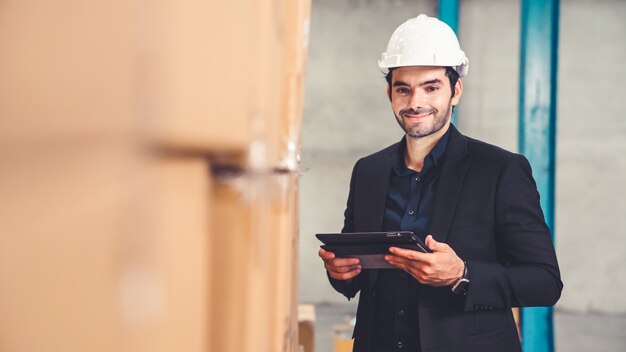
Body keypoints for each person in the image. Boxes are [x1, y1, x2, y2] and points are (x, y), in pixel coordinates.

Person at [318, 14, 562, 352]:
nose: (415, 102)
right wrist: (341, 272)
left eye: (431, 87)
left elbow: (545, 282)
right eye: (403, 89)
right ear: (390, 93)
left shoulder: (501, 170)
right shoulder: (368, 172)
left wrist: (462, 274)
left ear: (455, 90)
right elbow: (356, 275)